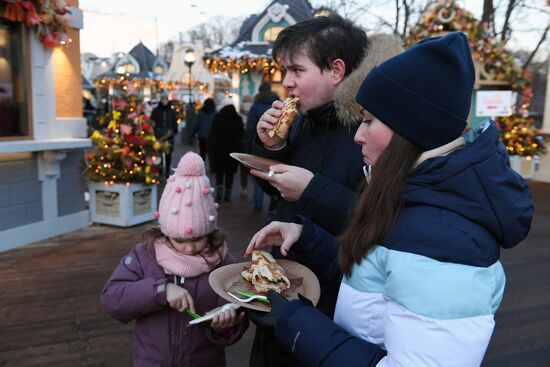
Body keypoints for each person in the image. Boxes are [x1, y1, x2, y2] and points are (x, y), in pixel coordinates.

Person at [245, 32, 534, 367]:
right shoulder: (413, 196)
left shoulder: (445, 241)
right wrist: (310, 239)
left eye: (368, 120)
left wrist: (296, 323)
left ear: (409, 129)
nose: (357, 134)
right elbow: (382, 279)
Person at [247, 14, 404, 367]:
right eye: (283, 70)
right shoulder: (305, 120)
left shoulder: (378, 131)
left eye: (296, 71)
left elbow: (384, 220)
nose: (285, 82)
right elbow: (276, 190)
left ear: (335, 70)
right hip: (287, 287)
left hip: (336, 309)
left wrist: (310, 190)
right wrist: (270, 146)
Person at [101, 152, 248, 367]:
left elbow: (239, 310)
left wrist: (226, 328)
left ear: (210, 230)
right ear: (166, 231)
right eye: (179, 240)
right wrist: (161, 291)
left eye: (198, 238)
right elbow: (112, 299)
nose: (189, 247)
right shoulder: (145, 256)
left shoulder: (223, 263)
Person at [247, 82, 280, 210]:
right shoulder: (279, 104)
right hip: (278, 145)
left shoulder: (255, 107)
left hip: (259, 144)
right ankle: (274, 200)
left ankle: (258, 203)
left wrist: (250, 145)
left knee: (259, 173)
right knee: (275, 173)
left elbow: (250, 128)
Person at [207, 102, 244, 203]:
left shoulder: (218, 118)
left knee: (219, 172)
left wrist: (210, 149)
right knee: (230, 173)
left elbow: (212, 134)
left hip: (219, 151)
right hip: (232, 152)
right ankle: (228, 193)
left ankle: (219, 191)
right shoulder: (237, 119)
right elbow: (241, 135)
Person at [151, 91, 178, 177]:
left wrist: (174, 131)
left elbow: (174, 122)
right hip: (159, 134)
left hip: (169, 134)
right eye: (163, 99)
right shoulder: (156, 110)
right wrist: (154, 131)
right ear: (161, 99)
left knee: (168, 154)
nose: (164, 101)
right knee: (159, 154)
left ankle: (167, 171)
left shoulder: (171, 111)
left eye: (166, 99)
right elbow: (152, 121)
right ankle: (160, 171)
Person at [239, 95, 253, 199]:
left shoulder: (240, 109)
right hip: (253, 139)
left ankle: (244, 189)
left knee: (243, 167)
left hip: (243, 139)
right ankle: (256, 193)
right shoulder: (254, 108)